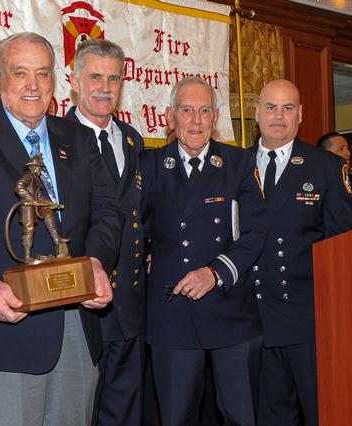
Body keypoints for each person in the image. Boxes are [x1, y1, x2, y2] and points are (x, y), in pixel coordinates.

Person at [0, 32, 122, 426]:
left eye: (42, 73)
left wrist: (95, 262)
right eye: (20, 73)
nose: (33, 85)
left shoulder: (78, 137)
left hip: (77, 325)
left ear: (55, 81)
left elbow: (107, 211)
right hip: (7, 327)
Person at [140, 76, 266, 425]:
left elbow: (255, 232)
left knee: (242, 417)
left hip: (232, 311)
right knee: (177, 417)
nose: (196, 121)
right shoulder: (149, 166)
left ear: (215, 117)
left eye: (204, 111)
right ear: (170, 117)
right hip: (173, 313)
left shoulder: (240, 163)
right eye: (187, 110)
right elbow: (134, 228)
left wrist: (214, 273)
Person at [250, 79, 352, 426]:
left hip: (307, 318)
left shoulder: (325, 166)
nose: (278, 116)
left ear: (300, 116)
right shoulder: (235, 164)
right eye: (271, 107)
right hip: (252, 317)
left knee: (320, 412)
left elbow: (340, 246)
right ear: (256, 113)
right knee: (268, 416)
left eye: (288, 108)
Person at [65, 39, 147, 426]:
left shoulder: (132, 139)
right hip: (82, 304)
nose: (105, 86)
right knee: (82, 412)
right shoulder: (55, 137)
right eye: (95, 76)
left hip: (129, 303)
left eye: (114, 78)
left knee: (125, 410)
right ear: (74, 81)